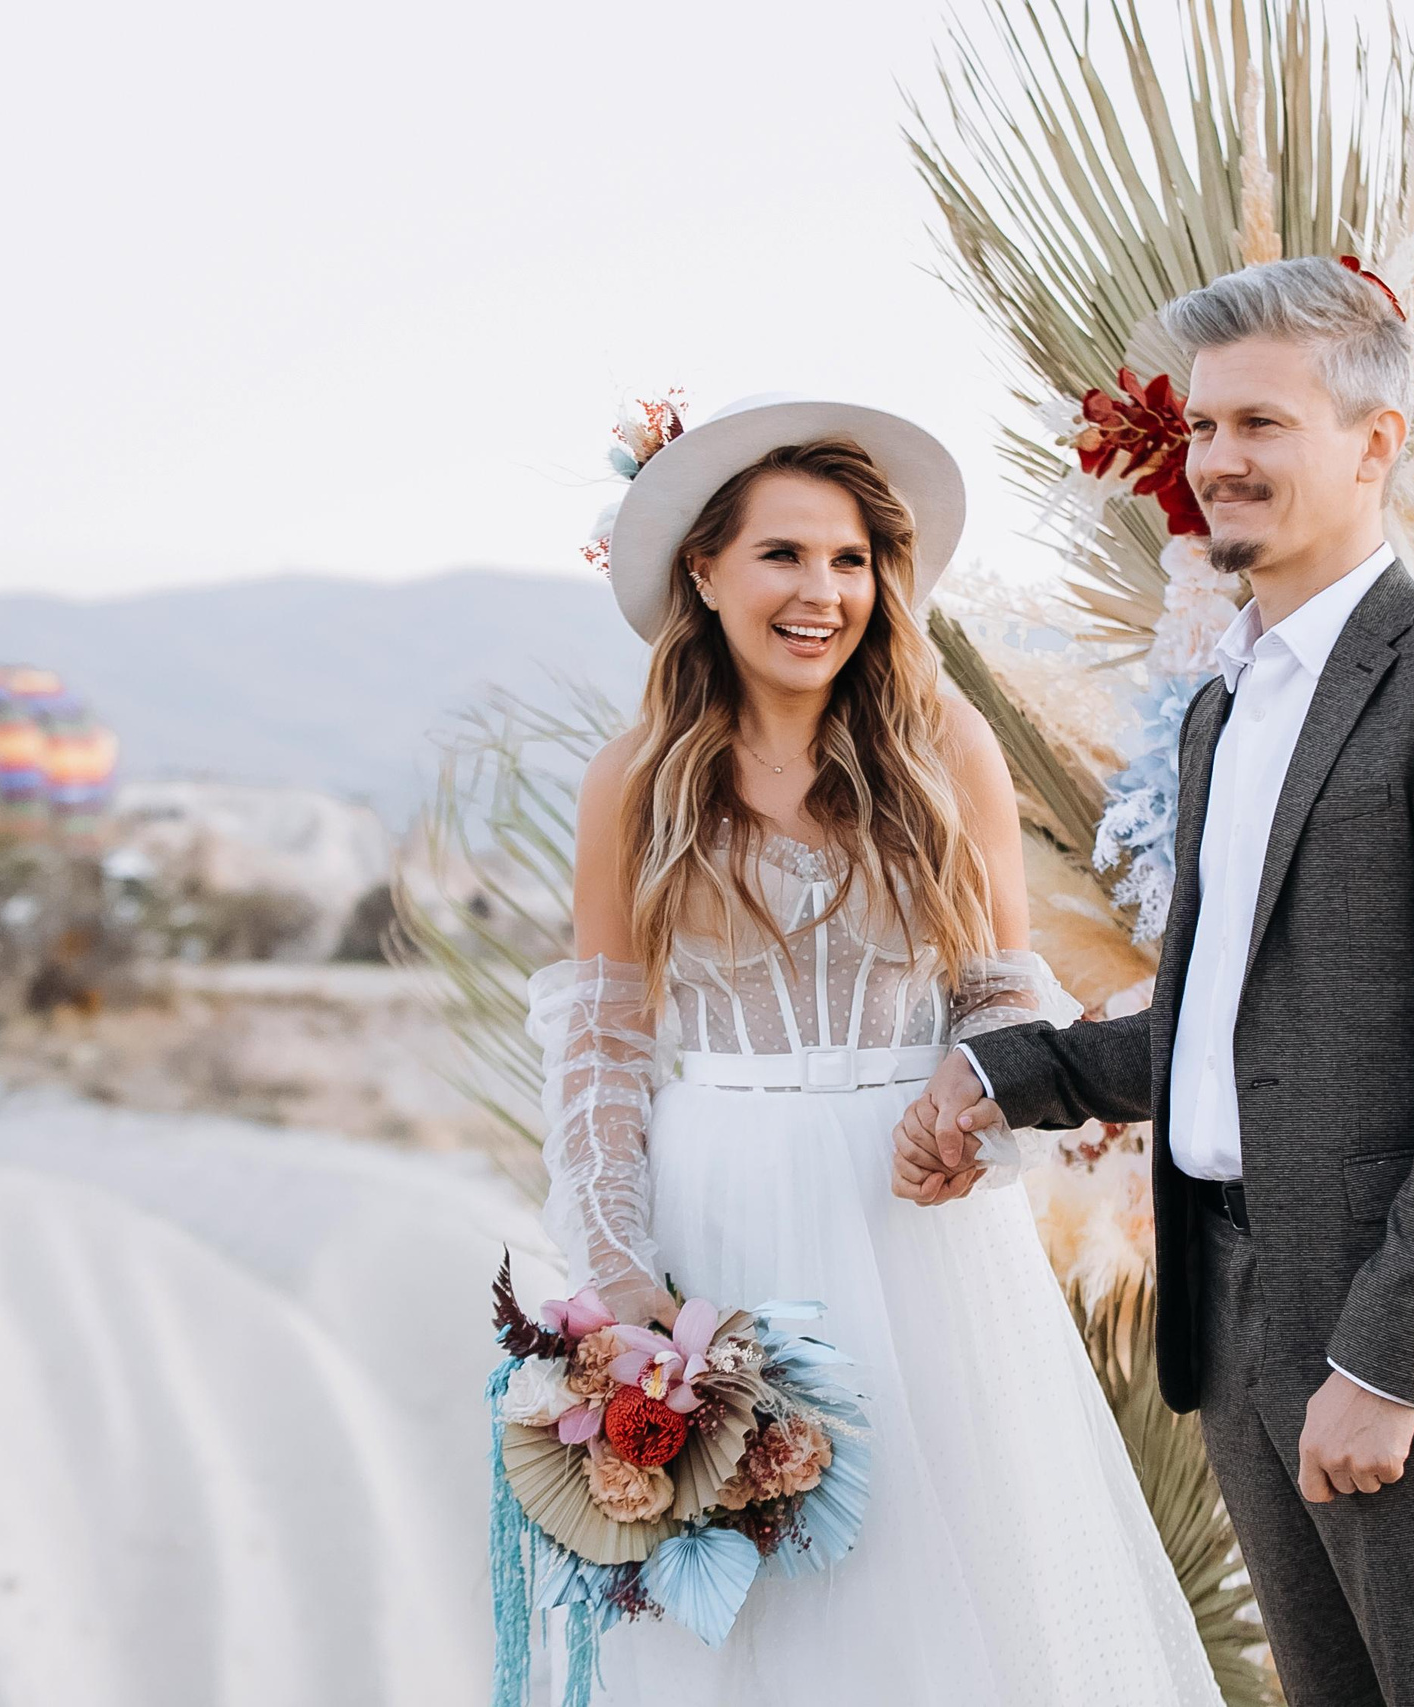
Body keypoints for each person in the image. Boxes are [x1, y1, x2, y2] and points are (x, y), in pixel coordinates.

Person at [896, 258, 1414, 1707]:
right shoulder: (1225, 712)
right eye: (1205, 429)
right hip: (1240, 1320)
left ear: (1377, 442)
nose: (1218, 462)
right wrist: (1003, 1072)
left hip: (1411, 1358)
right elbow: (1234, 1028)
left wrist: (1393, 1365)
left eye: (1261, 426)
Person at [526, 395, 1221, 1706]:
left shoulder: (940, 746)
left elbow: (1001, 993)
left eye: (849, 559)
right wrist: (618, 1283)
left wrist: (987, 1114)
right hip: (723, 1214)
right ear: (705, 570)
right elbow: (602, 1050)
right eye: (784, 554)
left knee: (954, 1583)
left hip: (920, 1218)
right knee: (760, 1602)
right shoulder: (639, 776)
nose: (822, 590)